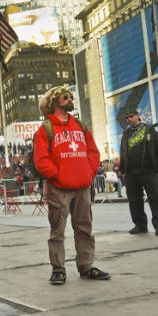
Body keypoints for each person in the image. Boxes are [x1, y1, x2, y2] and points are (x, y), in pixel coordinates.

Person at [33, 86, 110, 286]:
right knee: (57, 231)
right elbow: (41, 160)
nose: (69, 99)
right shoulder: (45, 129)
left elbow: (93, 152)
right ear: (54, 102)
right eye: (65, 97)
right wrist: (57, 175)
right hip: (59, 189)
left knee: (85, 228)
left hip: (83, 187)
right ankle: (58, 269)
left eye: (70, 96)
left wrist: (89, 171)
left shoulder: (80, 125)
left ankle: (86, 266)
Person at [119, 110, 158, 235]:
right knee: (134, 200)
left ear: (138, 117)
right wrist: (122, 169)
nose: (128, 119)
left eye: (131, 116)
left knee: (155, 197)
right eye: (127, 117)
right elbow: (123, 152)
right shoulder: (126, 133)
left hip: (147, 171)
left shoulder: (149, 130)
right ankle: (140, 225)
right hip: (131, 172)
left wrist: (156, 167)